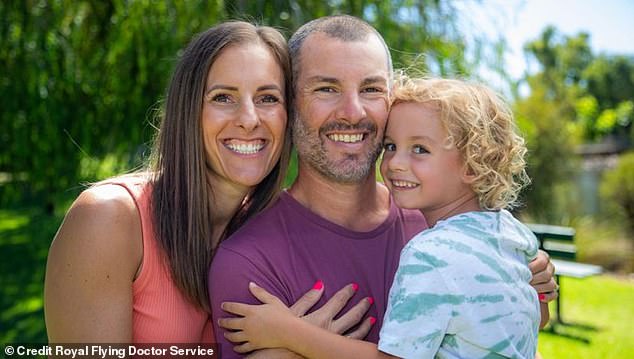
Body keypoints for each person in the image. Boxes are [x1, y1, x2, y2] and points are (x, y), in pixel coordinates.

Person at [209, 15, 557, 358]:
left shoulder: (443, 226)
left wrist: (531, 285)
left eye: (372, 89)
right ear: (290, 102)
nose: (352, 111)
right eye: (327, 89)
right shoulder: (248, 262)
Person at [44, 21, 294, 342]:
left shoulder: (274, 228)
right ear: (187, 111)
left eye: (268, 98)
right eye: (223, 97)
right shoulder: (108, 220)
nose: (248, 118)